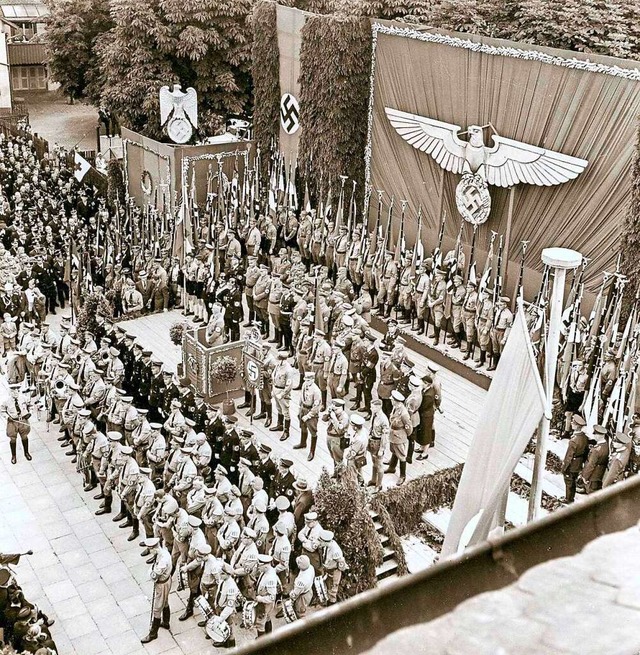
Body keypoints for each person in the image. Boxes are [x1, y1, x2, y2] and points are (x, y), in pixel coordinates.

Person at [141, 537, 172, 643]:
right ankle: (166, 622)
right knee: (165, 602)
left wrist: (150, 570)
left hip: (162, 584)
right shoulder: (163, 552)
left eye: (150, 549)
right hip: (166, 581)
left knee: (157, 608)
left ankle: (153, 633)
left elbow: (153, 576)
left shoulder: (163, 560)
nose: (150, 552)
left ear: (155, 548)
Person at [386, 390, 412, 486]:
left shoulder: (403, 413)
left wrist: (405, 436)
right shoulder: (396, 408)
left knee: (401, 455)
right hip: (393, 434)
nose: (391, 401)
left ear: (396, 401)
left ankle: (402, 475)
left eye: (392, 400)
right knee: (394, 450)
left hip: (399, 436)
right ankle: (392, 467)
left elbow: (409, 426)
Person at [561, 414, 589, 503]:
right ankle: (570, 497)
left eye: (573, 423)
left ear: (577, 426)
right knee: (573, 480)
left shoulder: (574, 440)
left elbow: (569, 456)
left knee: (569, 481)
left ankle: (568, 499)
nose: (572, 423)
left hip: (572, 463)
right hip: (578, 463)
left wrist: (564, 467)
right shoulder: (584, 437)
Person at [1, 382, 31, 464]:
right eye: (13, 391)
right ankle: (13, 456)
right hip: (12, 421)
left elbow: (30, 405)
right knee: (13, 438)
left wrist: (29, 412)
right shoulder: (6, 401)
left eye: (17, 390)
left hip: (23, 420)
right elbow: (2, 411)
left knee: (24, 437)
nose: (15, 392)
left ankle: (26, 453)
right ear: (9, 392)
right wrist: (7, 417)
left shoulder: (24, 398)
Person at [296, 370, 322, 461]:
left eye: (308, 380)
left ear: (312, 380)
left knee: (313, 431)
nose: (306, 382)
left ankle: (312, 451)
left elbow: (316, 406)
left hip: (311, 411)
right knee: (302, 426)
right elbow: (301, 396)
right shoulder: (304, 385)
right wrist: (300, 408)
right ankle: (303, 443)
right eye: (305, 380)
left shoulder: (316, 391)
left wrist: (308, 415)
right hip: (303, 408)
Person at [319, 529, 346, 605]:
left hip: (334, 571)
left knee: (333, 591)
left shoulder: (335, 551)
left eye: (321, 541)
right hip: (328, 570)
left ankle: (331, 605)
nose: (320, 542)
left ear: (325, 541)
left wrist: (336, 575)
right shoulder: (327, 546)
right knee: (328, 588)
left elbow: (341, 563)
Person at [580, 425, 609, 494]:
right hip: (599, 474)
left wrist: (585, 476)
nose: (594, 435)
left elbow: (591, 465)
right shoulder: (606, 446)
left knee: (590, 493)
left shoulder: (596, 450)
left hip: (592, 475)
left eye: (595, 434)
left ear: (599, 436)